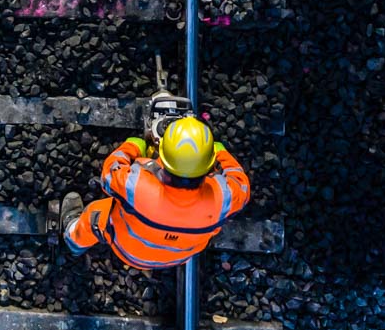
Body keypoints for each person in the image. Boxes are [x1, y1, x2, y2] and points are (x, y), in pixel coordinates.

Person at [60, 115, 250, 270]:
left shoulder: (137, 187)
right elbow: (241, 184)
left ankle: (73, 239)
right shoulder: (224, 198)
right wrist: (220, 152)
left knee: (97, 215)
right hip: (177, 258)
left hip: (127, 250)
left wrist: (134, 146)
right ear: (207, 166)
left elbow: (109, 173)